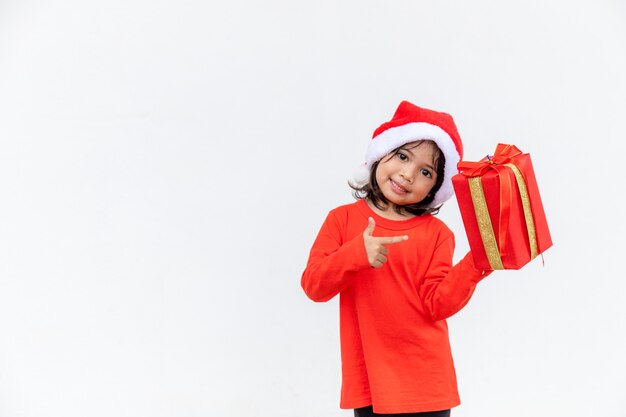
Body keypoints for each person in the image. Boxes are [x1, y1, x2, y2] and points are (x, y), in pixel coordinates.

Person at [301, 101, 493, 417]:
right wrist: (355, 255)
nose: (407, 174)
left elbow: (438, 305)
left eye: (426, 171)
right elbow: (313, 287)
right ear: (381, 154)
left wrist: (477, 263)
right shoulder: (342, 220)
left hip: (427, 386)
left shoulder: (438, 234)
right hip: (370, 386)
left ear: (435, 188)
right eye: (402, 156)